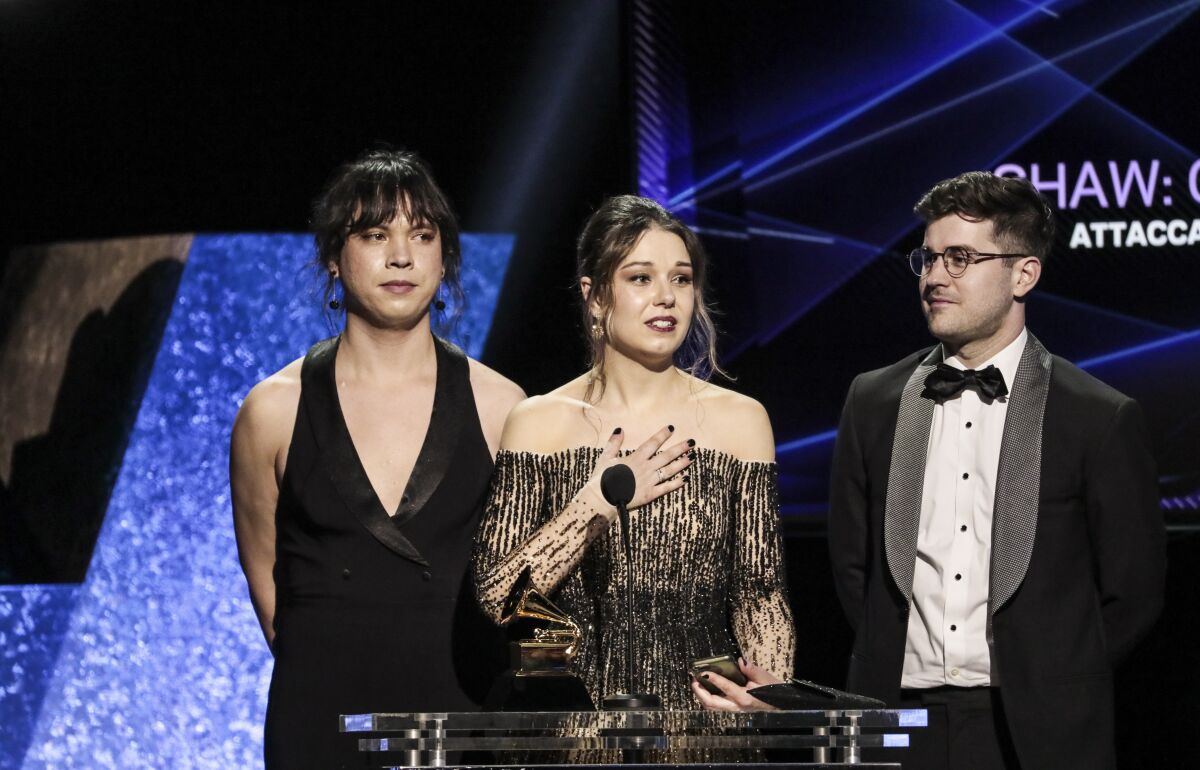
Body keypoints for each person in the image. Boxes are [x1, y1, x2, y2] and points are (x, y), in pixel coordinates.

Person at [827, 171, 1165, 769]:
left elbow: (1132, 591)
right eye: (928, 258)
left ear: (1023, 274)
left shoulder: (1098, 416)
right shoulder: (873, 400)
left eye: (960, 258)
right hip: (899, 720)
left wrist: (1053, 675)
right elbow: (855, 572)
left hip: (1037, 730)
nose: (935, 277)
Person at [230, 147, 525, 769]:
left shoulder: (503, 407)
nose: (401, 256)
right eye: (374, 235)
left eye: (422, 235)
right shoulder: (272, 411)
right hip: (319, 720)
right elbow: (269, 586)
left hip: (462, 719)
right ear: (334, 257)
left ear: (444, 258)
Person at [472, 195, 795, 725]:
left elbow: (759, 593)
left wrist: (769, 699)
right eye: (641, 278)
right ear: (595, 296)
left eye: (681, 279)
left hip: (703, 724)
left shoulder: (740, 421)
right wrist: (594, 504)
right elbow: (499, 596)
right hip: (572, 725)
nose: (666, 297)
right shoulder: (539, 422)